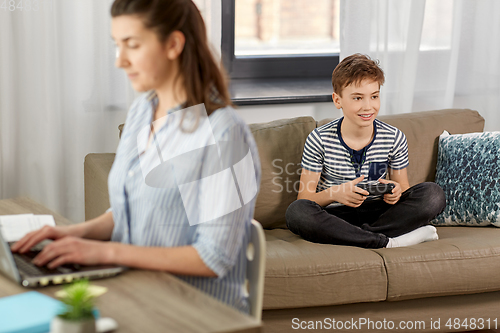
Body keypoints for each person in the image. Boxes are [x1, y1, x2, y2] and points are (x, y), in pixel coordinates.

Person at [11, 0, 261, 314]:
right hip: (135, 292)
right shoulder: (144, 109)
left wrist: (105, 253)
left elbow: (212, 258)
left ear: (173, 44)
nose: (121, 61)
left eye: (132, 45)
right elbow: (133, 208)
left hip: (193, 313)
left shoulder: (225, 133)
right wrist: (72, 234)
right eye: (117, 45)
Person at [285, 53, 445, 249]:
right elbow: (305, 197)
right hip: (335, 215)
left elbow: (402, 186)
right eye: (358, 98)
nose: (368, 106)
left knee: (433, 194)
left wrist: (394, 192)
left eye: (374, 96)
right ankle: (386, 241)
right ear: (338, 100)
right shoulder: (319, 139)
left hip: (380, 212)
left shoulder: (394, 137)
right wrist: (336, 193)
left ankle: (360, 236)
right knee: (297, 212)